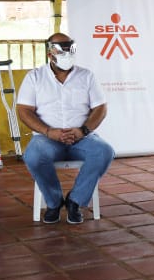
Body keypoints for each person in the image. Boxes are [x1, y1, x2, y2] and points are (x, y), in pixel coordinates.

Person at [16, 33, 114, 224]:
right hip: (47, 138)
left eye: (69, 49)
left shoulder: (86, 76)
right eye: (61, 50)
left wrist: (83, 130)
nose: (66, 54)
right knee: (33, 156)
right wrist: (48, 131)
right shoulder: (34, 77)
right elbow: (24, 110)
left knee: (104, 151)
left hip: (82, 137)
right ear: (49, 53)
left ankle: (75, 201)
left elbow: (100, 108)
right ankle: (53, 202)